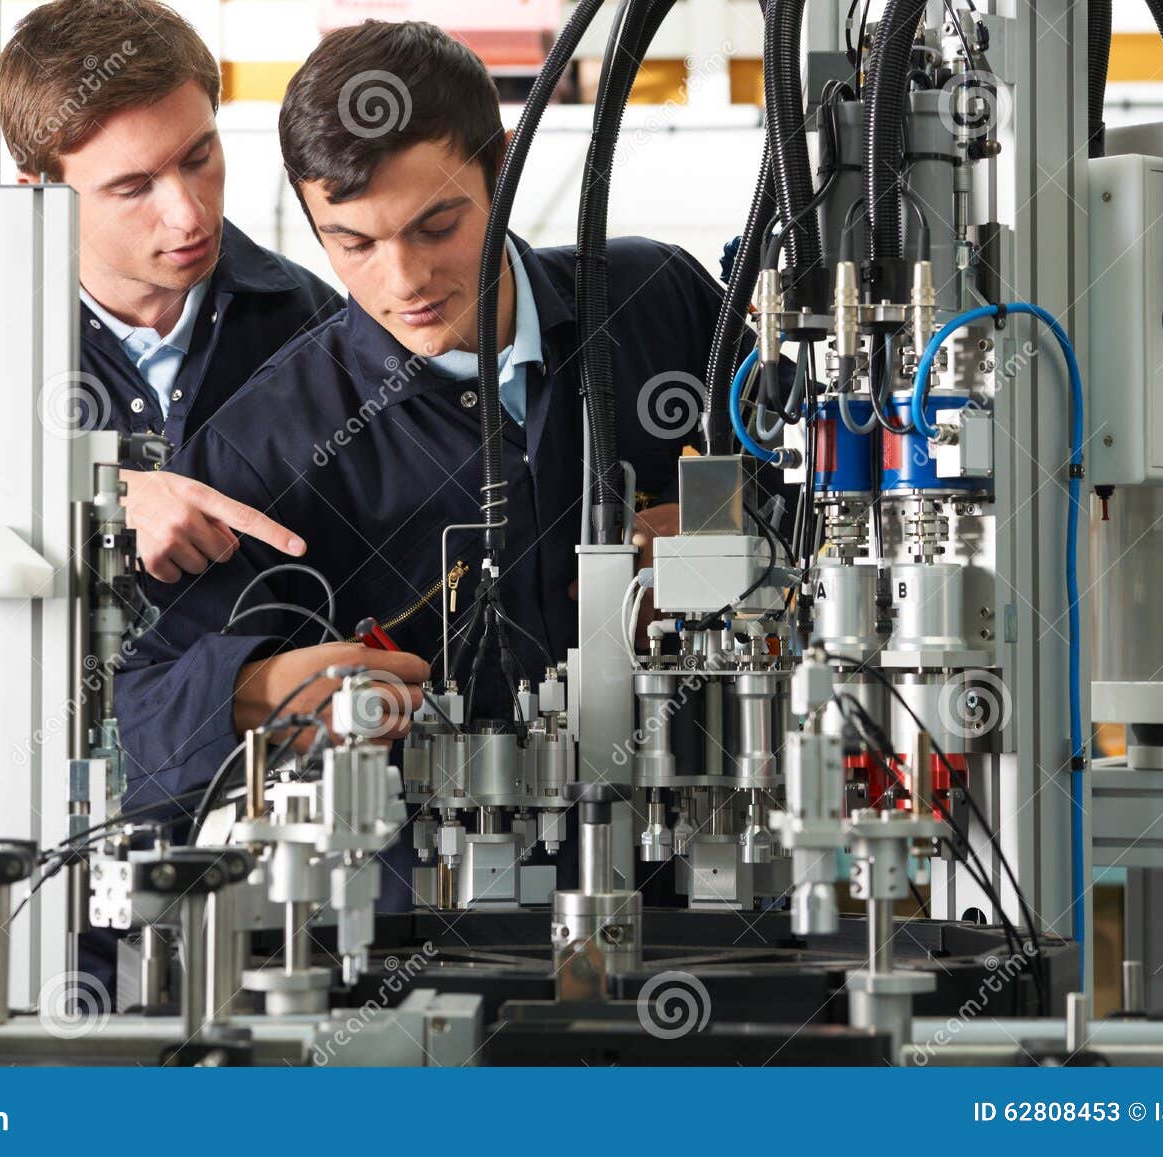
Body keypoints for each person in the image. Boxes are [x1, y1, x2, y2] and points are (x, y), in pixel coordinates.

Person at [115, 23, 754, 904]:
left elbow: (829, 489)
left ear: (499, 169)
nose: (404, 278)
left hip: (701, 886)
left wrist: (735, 530)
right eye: (355, 245)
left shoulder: (657, 305)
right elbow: (141, 710)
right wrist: (256, 690)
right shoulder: (264, 444)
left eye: (437, 225)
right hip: (420, 931)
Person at [0, 0, 343, 634]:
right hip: (9, 730)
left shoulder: (312, 325)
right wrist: (88, 510)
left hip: (255, 729)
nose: (189, 214)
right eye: (132, 187)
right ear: (36, 191)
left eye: (198, 157)